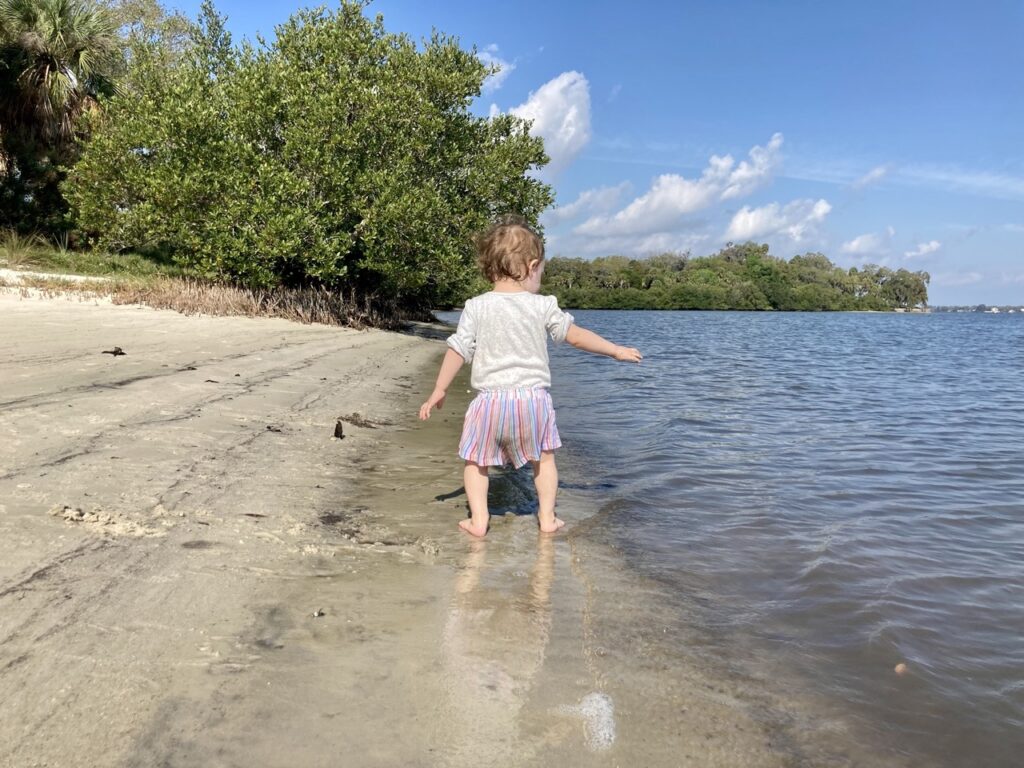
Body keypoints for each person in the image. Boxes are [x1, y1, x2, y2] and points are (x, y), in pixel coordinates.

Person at [418, 217, 643, 537]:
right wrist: (615, 350)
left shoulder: (476, 306)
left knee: (476, 461)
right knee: (545, 460)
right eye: (541, 271)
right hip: (532, 402)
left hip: (490, 402)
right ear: (532, 265)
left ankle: (479, 520)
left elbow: (458, 349)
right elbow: (575, 336)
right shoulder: (542, 306)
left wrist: (439, 389)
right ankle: (548, 517)